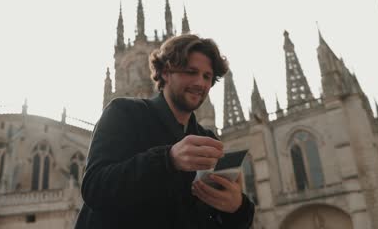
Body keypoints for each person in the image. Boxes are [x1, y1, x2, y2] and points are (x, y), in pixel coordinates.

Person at [74, 34, 255, 229]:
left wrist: (237, 207)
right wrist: (168, 159)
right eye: (191, 71)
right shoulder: (123, 112)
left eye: (207, 76)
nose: (200, 83)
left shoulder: (207, 138)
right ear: (166, 72)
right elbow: (95, 188)